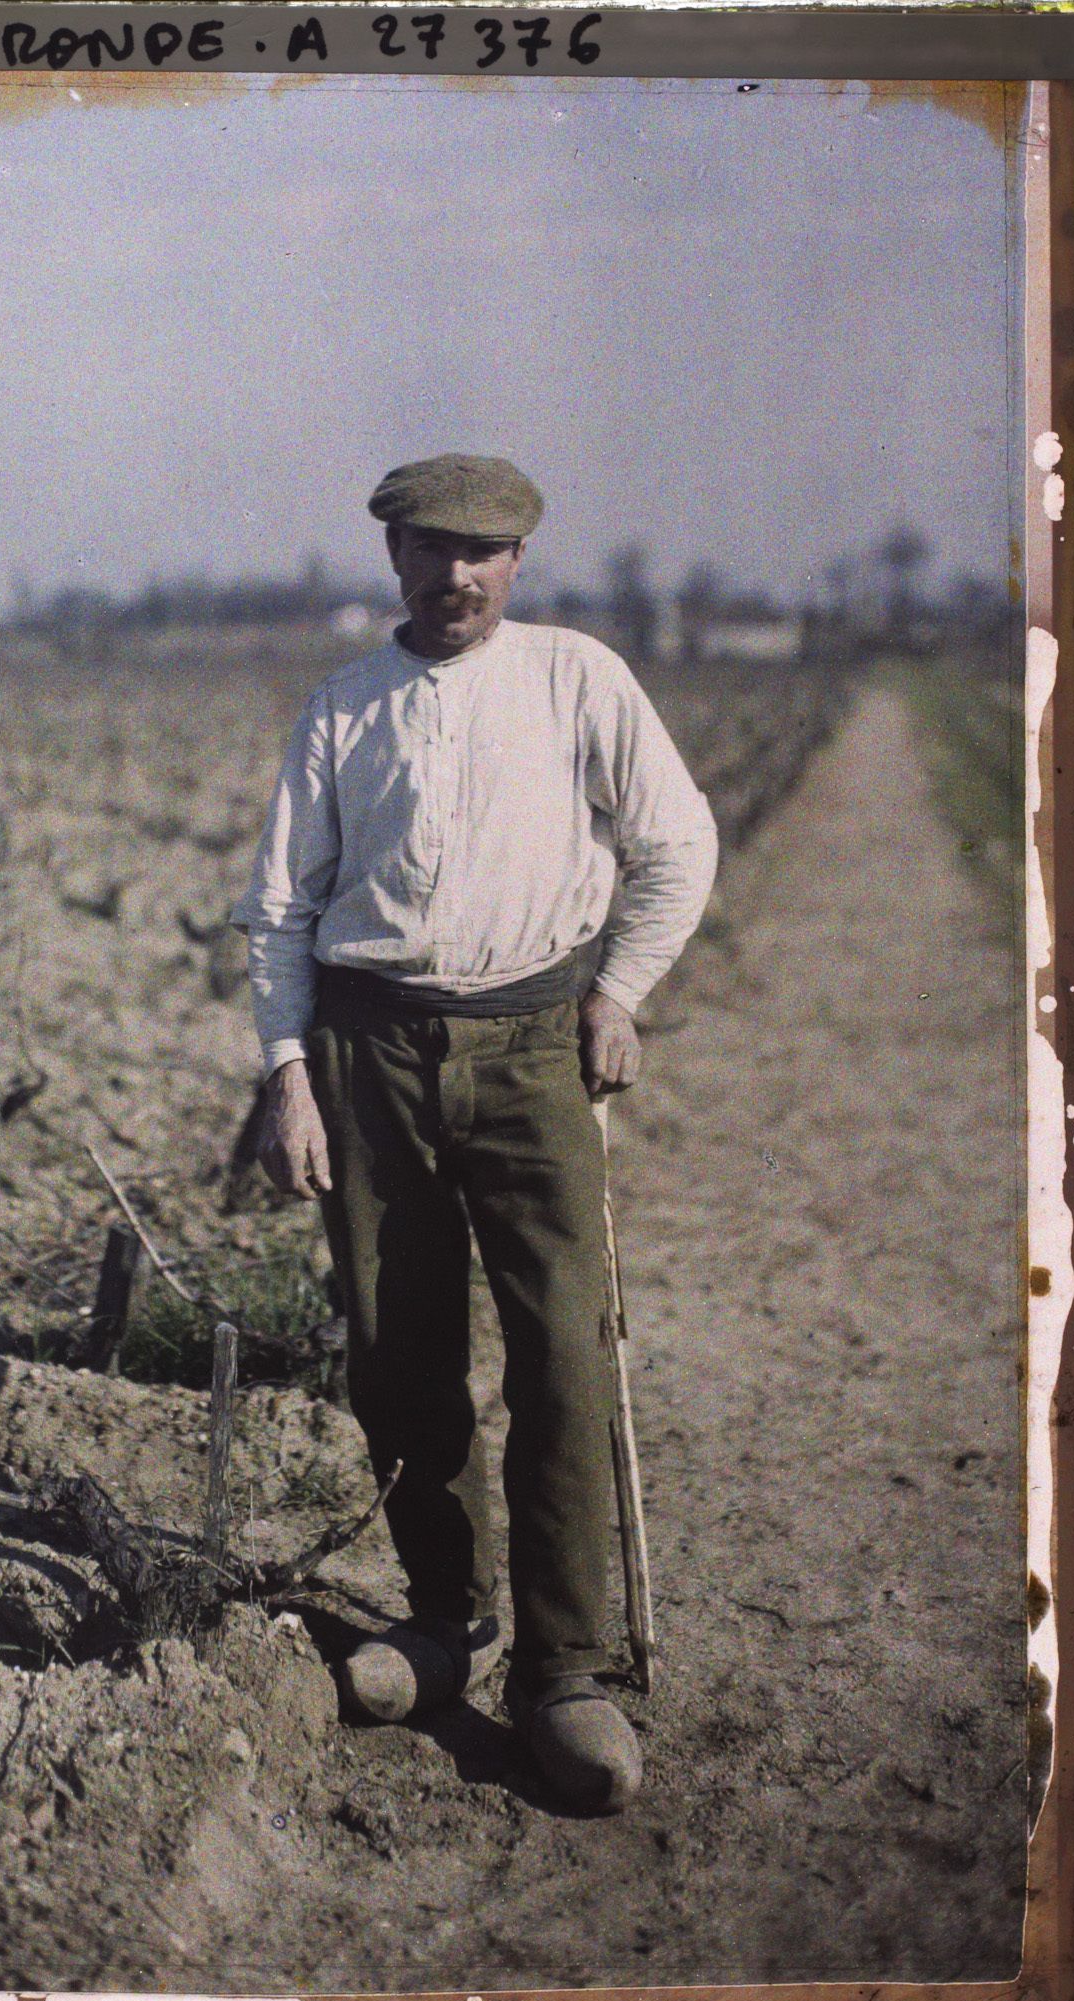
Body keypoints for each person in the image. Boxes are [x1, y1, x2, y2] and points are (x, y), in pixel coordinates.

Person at [230, 455, 718, 1814]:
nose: (456, 577)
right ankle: (446, 1626)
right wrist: (287, 1075)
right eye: (431, 551)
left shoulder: (580, 680)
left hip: (532, 1050)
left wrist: (618, 993)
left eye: (484, 554)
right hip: (368, 1049)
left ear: (518, 563)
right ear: (393, 559)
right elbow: (280, 911)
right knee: (400, 1359)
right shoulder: (343, 710)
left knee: (562, 1353)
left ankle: (565, 1676)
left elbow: (679, 843)